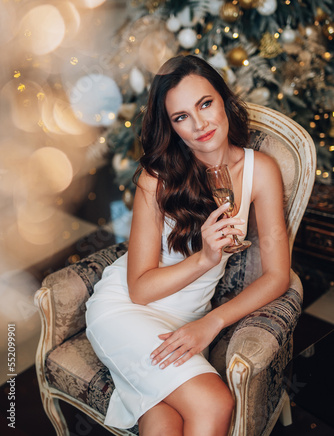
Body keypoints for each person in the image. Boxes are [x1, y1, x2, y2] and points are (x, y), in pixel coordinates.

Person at [85, 54, 290, 436]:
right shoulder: (157, 178)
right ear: (172, 127)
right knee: (215, 401)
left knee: (165, 420)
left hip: (188, 319)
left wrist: (211, 323)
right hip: (125, 311)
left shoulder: (260, 171)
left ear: (224, 100)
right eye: (181, 117)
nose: (199, 125)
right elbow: (140, 289)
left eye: (205, 104)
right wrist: (205, 259)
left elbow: (278, 275)